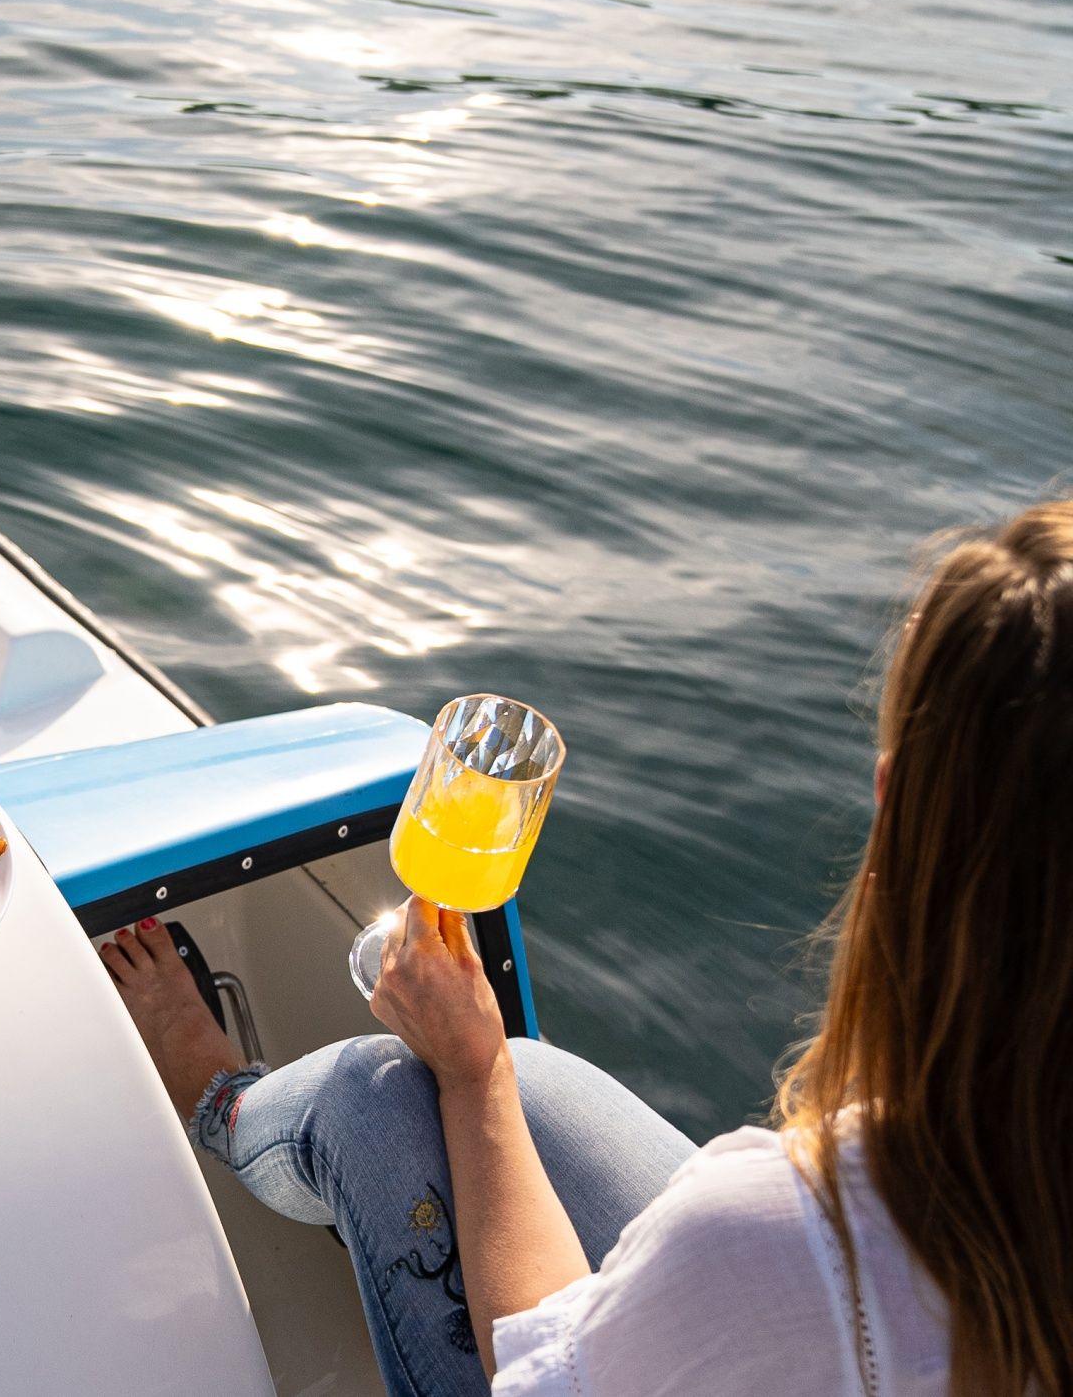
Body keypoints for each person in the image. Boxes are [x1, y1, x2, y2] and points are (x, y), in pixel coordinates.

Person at [106, 501, 1073, 1395]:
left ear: (894, 799)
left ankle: (215, 1099)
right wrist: (491, 1075)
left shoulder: (778, 1238)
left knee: (378, 1097)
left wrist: (468, 1077)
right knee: (534, 1083)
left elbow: (540, 1373)